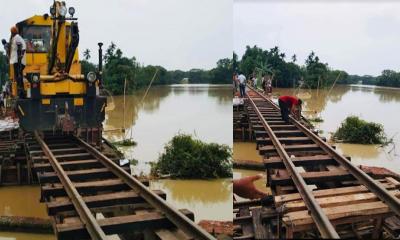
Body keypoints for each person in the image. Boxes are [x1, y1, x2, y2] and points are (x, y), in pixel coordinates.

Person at [9, 26, 26, 98]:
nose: (11, 33)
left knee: (19, 76)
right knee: (18, 76)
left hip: (18, 60)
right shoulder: (15, 37)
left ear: (13, 32)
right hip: (16, 60)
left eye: (11, 32)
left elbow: (20, 46)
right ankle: (21, 91)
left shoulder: (17, 37)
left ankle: (21, 92)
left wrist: (19, 58)